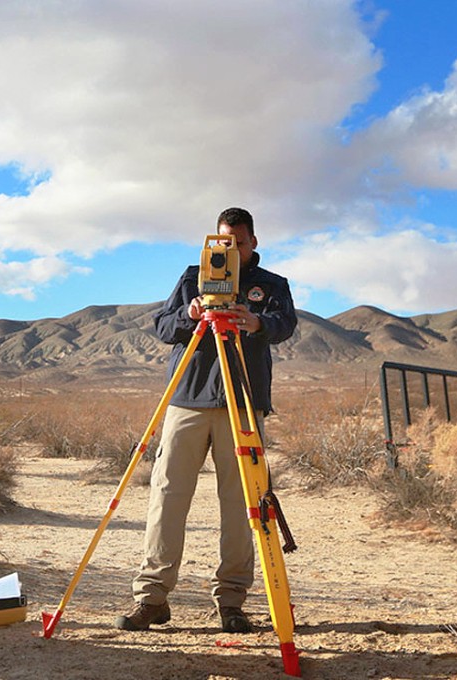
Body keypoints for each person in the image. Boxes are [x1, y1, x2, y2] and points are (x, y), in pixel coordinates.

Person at [115, 207, 297, 633]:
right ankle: (151, 598)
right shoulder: (193, 275)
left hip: (244, 400)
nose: (230, 249)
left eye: (239, 241)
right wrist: (190, 314)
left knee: (242, 505)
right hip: (189, 396)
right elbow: (162, 326)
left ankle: (231, 600)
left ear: (253, 243)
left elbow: (285, 323)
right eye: (223, 241)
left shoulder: (271, 285)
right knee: (167, 495)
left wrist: (255, 321)